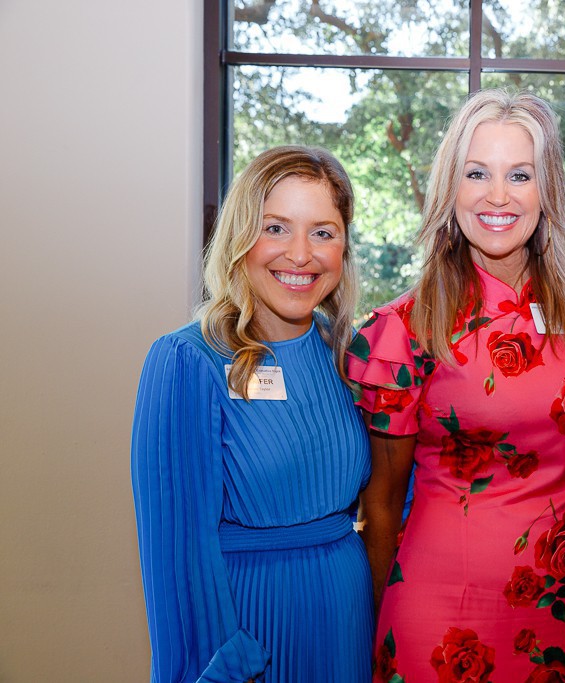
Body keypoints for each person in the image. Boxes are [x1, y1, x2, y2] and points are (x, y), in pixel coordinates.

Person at [347, 88, 565, 682]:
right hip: (436, 618)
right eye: (477, 173)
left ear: (548, 190)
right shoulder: (402, 331)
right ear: (450, 188)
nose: (498, 195)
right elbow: (380, 505)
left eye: (520, 175)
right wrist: (375, 623)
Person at [131, 145, 373, 682]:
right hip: (249, 630)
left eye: (323, 232)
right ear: (241, 237)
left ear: (344, 247)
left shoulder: (345, 352)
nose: (300, 254)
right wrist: (219, 669)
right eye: (276, 228)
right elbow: (176, 560)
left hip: (346, 622)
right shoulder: (187, 360)